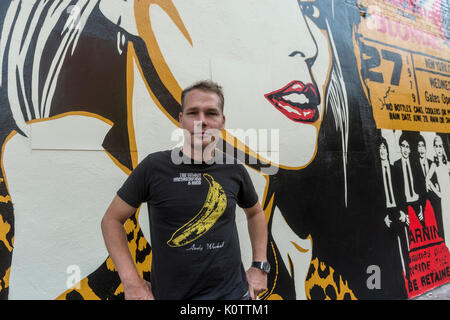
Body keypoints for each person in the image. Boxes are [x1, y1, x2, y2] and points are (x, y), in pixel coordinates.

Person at [101, 80, 270, 300]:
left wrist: (259, 266)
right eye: (193, 113)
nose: (202, 122)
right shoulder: (154, 168)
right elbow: (111, 221)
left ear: (222, 121)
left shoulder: (234, 169)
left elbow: (255, 213)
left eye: (211, 113)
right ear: (181, 119)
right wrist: (131, 281)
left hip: (235, 297)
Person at [426, 135, 450, 248]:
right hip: (444, 199)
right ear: (434, 148)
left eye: (440, 146)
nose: (439, 149)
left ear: (443, 147)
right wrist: (437, 192)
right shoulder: (434, 165)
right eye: (436, 146)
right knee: (447, 225)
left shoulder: (448, 164)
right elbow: (427, 179)